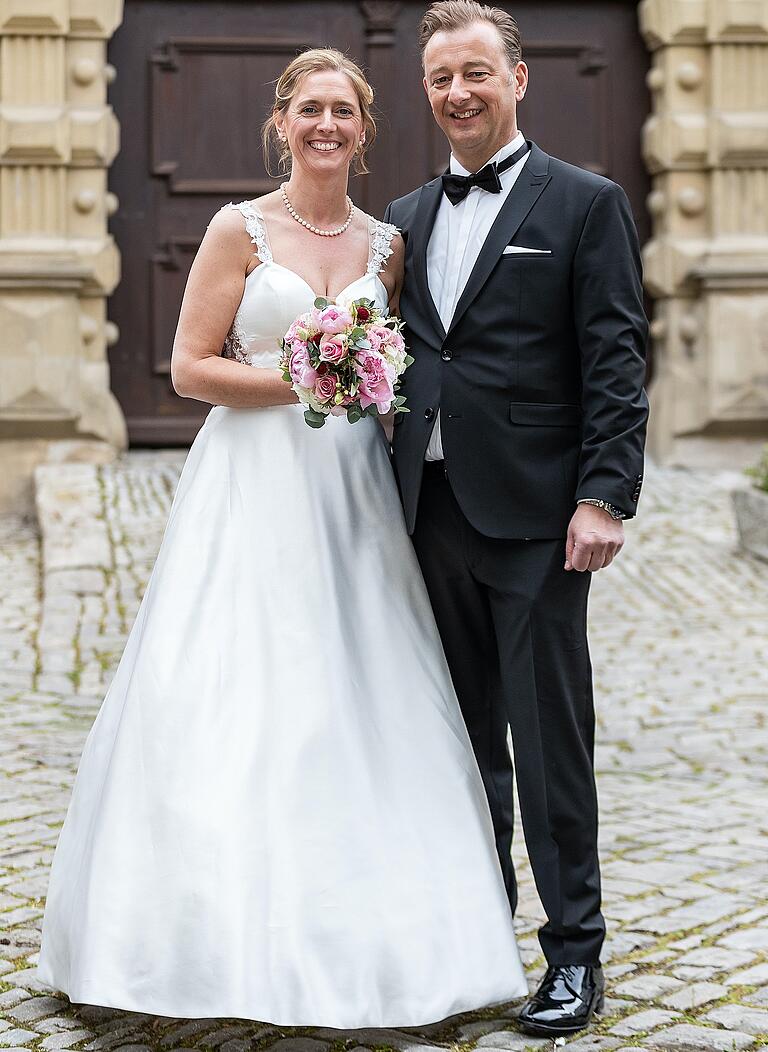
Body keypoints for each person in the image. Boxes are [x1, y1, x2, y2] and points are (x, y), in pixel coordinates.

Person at [36, 48, 528, 1028]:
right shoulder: (239, 229)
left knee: (360, 676)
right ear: (281, 120)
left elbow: (403, 369)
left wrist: (371, 390)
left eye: (344, 110)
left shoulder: (391, 244)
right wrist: (310, 381)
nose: (326, 125)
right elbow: (189, 368)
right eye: (310, 109)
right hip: (250, 481)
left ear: (365, 127)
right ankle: (197, 941)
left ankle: (388, 939)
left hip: (352, 488)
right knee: (234, 678)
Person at [385, 0, 648, 1039]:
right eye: (442, 76)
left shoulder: (585, 204)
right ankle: (476, 939)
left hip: (540, 518)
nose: (458, 92)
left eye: (476, 73)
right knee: (454, 744)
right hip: (426, 513)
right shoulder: (402, 216)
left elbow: (618, 359)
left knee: (548, 743)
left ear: (518, 78)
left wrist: (603, 494)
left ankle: (575, 953)